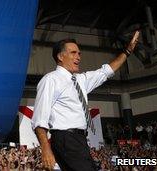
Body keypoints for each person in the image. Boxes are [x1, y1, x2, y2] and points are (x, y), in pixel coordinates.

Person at [31, 31, 139, 171]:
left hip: (79, 140)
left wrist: (127, 51)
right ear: (60, 56)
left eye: (79, 53)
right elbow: (39, 119)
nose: (78, 57)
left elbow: (105, 71)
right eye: (73, 53)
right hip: (65, 139)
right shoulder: (51, 80)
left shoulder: (81, 80)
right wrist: (46, 150)